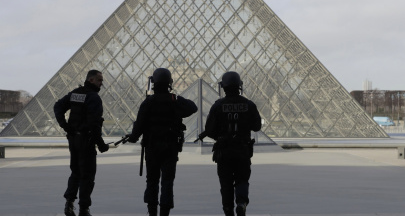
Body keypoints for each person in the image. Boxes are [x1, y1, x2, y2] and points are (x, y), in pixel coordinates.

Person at [127, 68, 197, 216]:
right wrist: (176, 98)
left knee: (152, 181)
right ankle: (164, 213)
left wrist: (133, 137)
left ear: (153, 83)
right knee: (167, 181)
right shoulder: (174, 101)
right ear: (169, 83)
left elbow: (139, 125)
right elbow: (193, 108)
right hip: (170, 147)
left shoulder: (148, 102)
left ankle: (152, 212)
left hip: (152, 147)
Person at [198, 71, 261, 216]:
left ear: (223, 87)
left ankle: (228, 210)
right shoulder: (249, 105)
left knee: (225, 184)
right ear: (239, 86)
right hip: (243, 150)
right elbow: (257, 126)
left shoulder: (218, 105)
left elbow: (210, 130)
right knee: (242, 179)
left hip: (224, 152)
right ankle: (241, 202)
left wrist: (220, 136)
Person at [54, 69, 110, 216]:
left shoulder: (75, 93)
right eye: (99, 80)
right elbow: (94, 124)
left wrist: (65, 125)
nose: (101, 83)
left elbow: (58, 106)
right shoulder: (93, 98)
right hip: (86, 140)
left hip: (73, 139)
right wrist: (102, 144)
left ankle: (69, 204)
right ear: (91, 80)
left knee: (75, 172)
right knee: (88, 175)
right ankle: (84, 209)